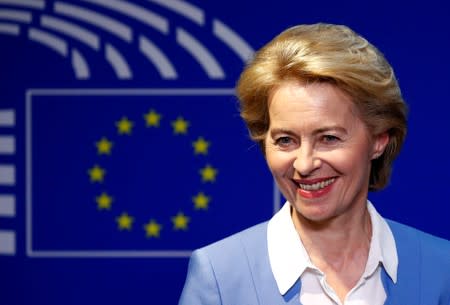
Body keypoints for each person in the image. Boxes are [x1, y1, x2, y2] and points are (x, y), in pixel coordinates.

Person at [178, 23, 450, 305]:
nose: (305, 164)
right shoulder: (219, 276)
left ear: (379, 140)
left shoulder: (442, 270)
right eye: (285, 140)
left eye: (329, 138)